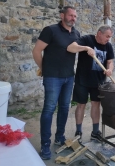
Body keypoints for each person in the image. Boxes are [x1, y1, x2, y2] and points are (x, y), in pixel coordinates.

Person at [32, 6, 80, 160]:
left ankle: (60, 136)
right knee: (49, 109)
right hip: (53, 77)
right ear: (62, 15)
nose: (73, 18)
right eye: (70, 15)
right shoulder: (50, 30)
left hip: (68, 77)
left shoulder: (76, 33)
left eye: (75, 16)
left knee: (65, 107)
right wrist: (44, 69)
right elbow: (36, 51)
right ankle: (45, 144)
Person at [67, 25, 114, 142]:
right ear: (99, 33)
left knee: (96, 105)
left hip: (98, 82)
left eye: (110, 37)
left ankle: (95, 131)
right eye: (107, 36)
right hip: (82, 80)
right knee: (81, 105)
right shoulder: (87, 39)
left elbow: (110, 61)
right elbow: (71, 48)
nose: (108, 39)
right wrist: (85, 48)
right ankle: (78, 131)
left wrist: (110, 69)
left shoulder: (108, 46)